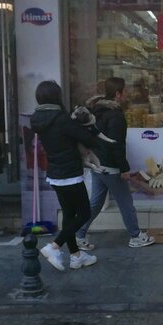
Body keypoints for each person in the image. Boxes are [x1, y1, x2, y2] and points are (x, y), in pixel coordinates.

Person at [76, 76, 155, 249]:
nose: (127, 94)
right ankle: (136, 236)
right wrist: (124, 169)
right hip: (110, 166)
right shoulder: (115, 116)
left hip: (98, 163)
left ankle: (78, 234)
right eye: (125, 91)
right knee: (125, 202)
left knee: (95, 203)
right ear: (118, 94)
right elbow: (116, 145)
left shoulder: (96, 111)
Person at [29, 79, 100, 272]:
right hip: (70, 173)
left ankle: (76, 256)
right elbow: (88, 139)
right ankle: (54, 246)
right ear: (57, 96)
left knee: (69, 214)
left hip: (55, 173)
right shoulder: (61, 119)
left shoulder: (37, 119)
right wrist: (91, 125)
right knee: (84, 213)